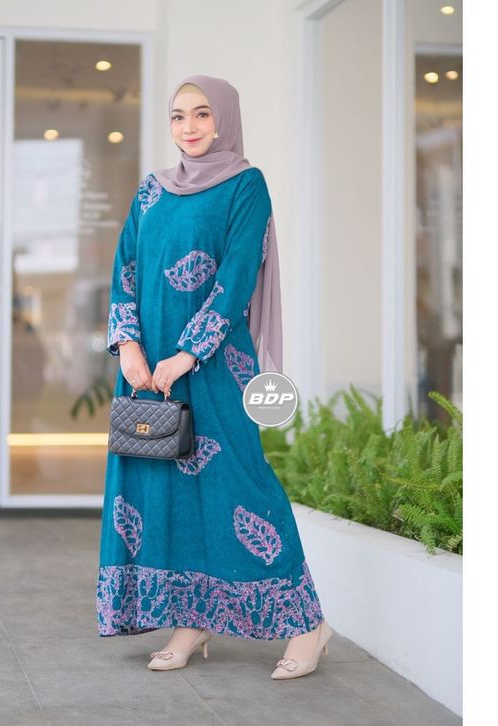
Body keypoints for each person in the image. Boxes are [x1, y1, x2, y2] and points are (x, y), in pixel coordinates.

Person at [96, 74, 333, 680]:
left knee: (241, 484)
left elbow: (236, 277)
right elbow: (125, 267)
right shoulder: (151, 191)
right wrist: (128, 346)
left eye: (202, 114)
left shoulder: (245, 185)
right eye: (178, 116)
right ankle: (191, 620)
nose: (190, 127)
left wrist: (187, 353)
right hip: (147, 371)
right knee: (163, 490)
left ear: (224, 117)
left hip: (214, 366)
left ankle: (307, 625)